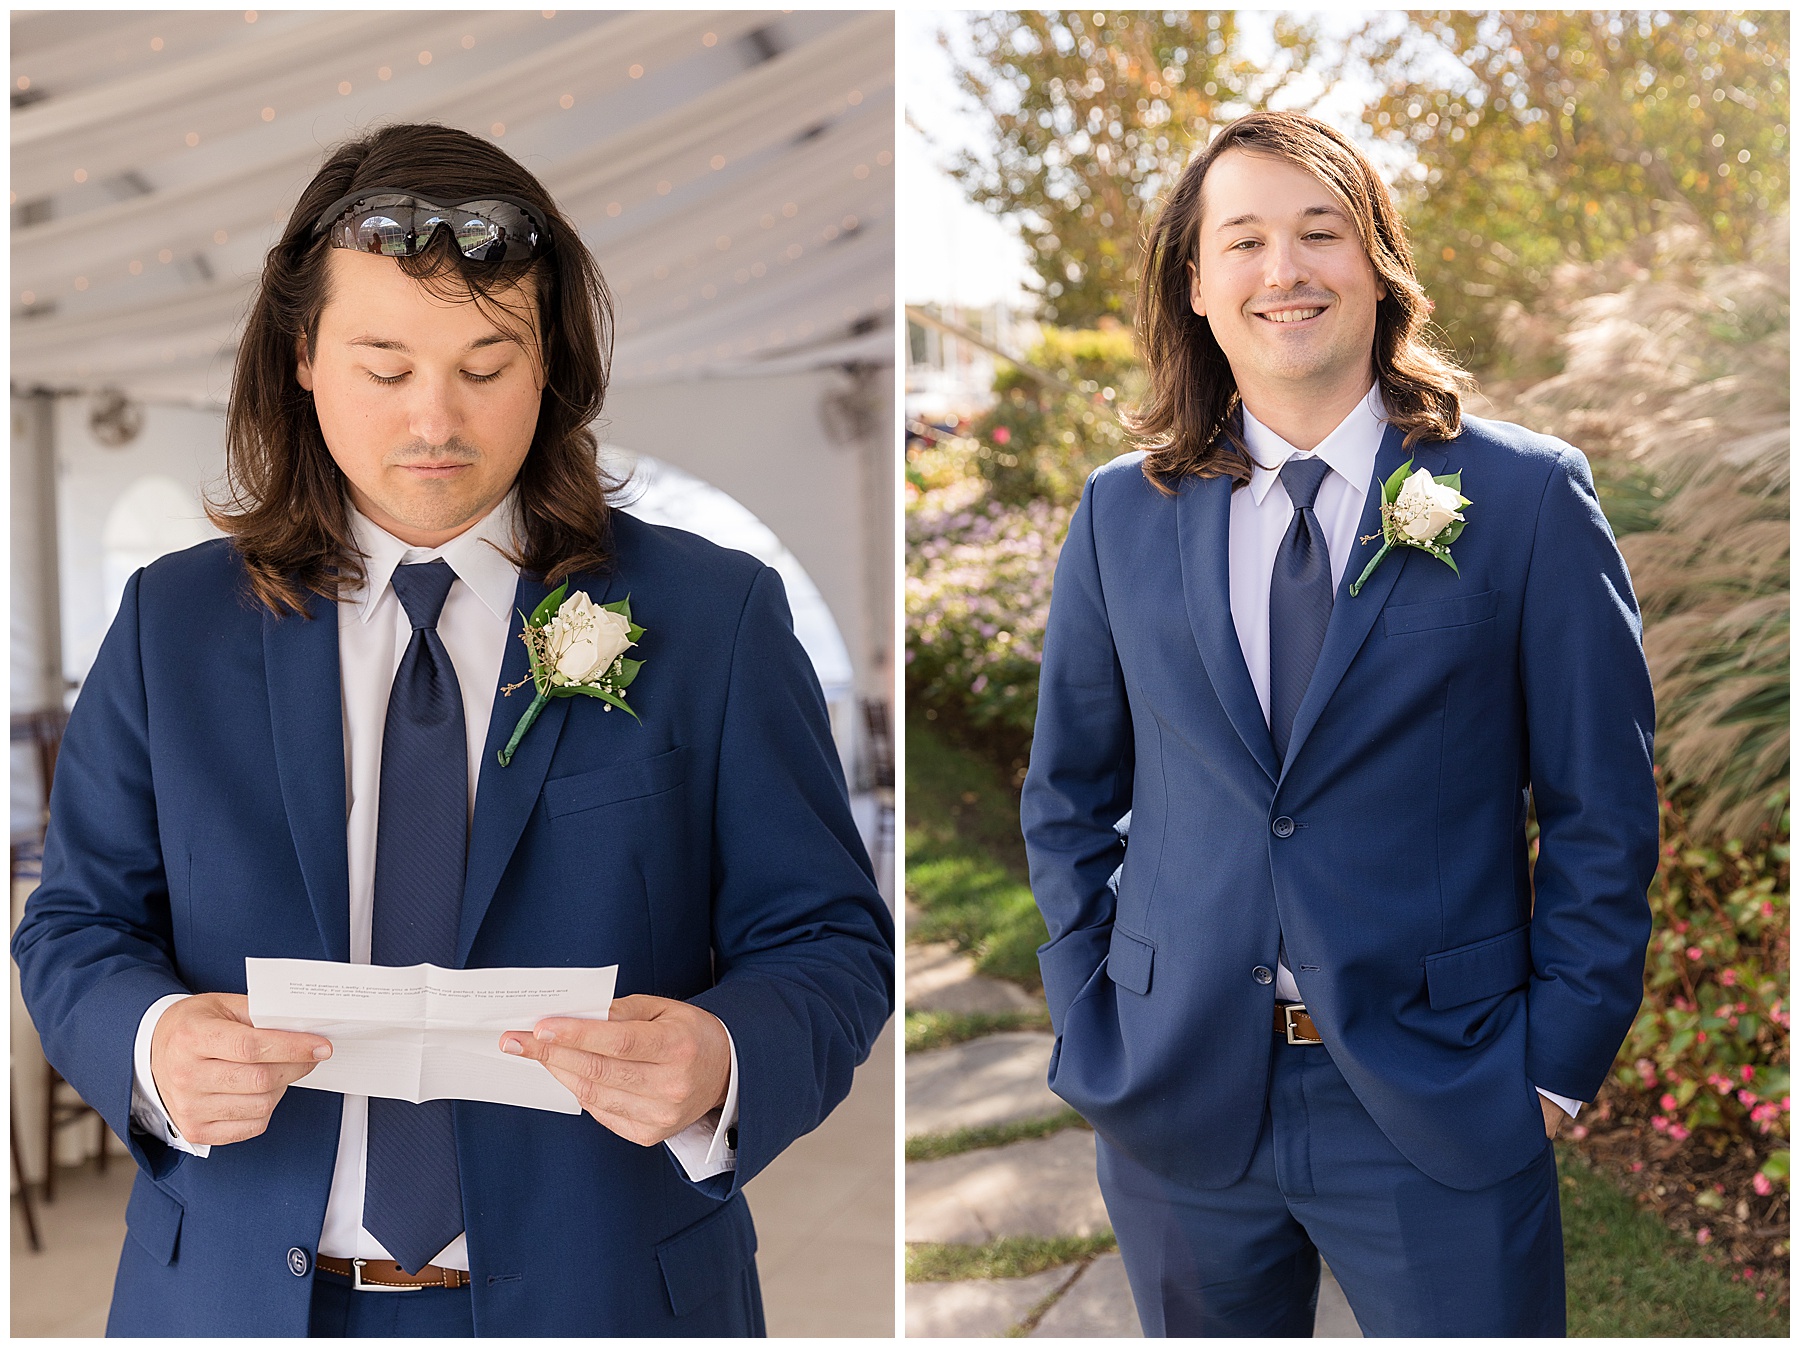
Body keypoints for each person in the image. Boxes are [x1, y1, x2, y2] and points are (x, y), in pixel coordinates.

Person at [13, 123, 894, 1337]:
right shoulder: (170, 622)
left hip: (610, 1299)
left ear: (555, 369)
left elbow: (831, 937)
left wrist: (728, 1055)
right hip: (228, 1301)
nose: (437, 419)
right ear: (304, 358)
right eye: (385, 367)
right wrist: (153, 1041)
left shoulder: (716, 614)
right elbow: (76, 927)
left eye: (487, 366)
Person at [1020, 110, 1657, 1337]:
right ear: (1196, 285)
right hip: (1177, 1095)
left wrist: (1552, 1063)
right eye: (1244, 240)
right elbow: (1067, 794)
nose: (1285, 270)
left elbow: (1603, 806)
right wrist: (1090, 1013)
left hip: (1447, 1091)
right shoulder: (1119, 515)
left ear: (1376, 264)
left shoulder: (1524, 496)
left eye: (1320, 232)